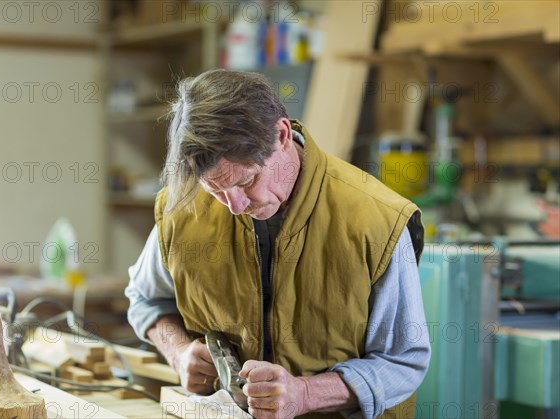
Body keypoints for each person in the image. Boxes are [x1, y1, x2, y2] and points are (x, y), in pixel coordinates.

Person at [125, 69, 431, 419]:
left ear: (282, 135)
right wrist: (178, 352)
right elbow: (145, 298)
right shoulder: (184, 208)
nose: (236, 206)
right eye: (216, 191)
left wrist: (305, 393)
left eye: (247, 180)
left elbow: (403, 361)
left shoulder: (376, 220)